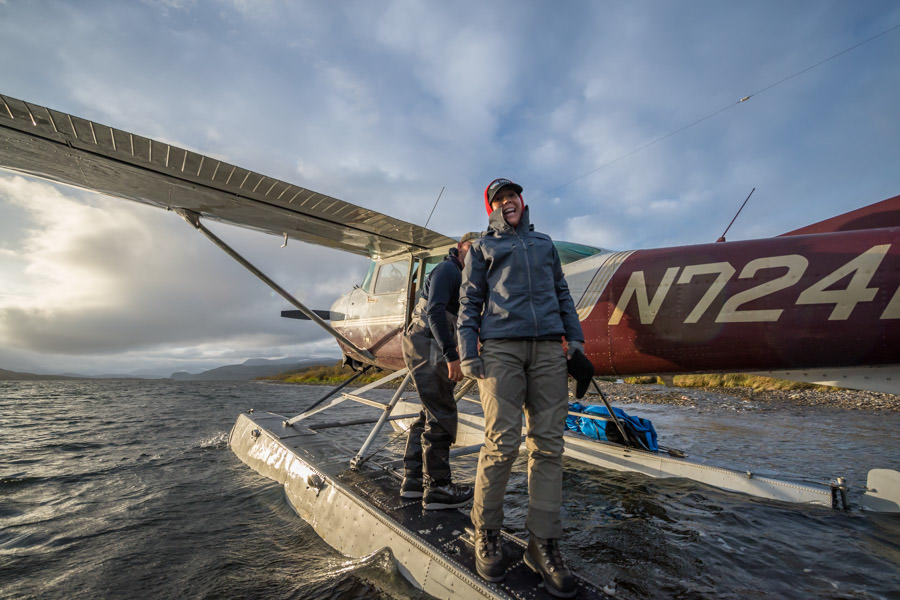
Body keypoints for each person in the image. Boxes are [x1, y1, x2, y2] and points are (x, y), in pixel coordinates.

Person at [458, 178, 584, 598]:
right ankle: (488, 532)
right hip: (501, 351)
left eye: (512, 196)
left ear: (522, 201)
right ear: (491, 209)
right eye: (498, 199)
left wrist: (576, 341)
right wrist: (468, 352)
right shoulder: (481, 248)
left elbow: (562, 293)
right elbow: (470, 301)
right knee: (502, 443)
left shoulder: (545, 244)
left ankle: (542, 543)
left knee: (549, 445)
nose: (507, 202)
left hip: (549, 349)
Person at [400, 232, 481, 510]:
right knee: (442, 412)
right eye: (471, 248)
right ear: (459, 248)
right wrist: (452, 355)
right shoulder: (448, 269)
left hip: (425, 342)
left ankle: (413, 482)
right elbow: (434, 312)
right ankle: (438, 488)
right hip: (427, 342)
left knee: (430, 410)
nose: (475, 254)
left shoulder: (465, 277)